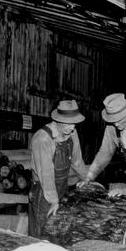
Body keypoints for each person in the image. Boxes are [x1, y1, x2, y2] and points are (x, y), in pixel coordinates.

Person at [77, 93, 126, 198]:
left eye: (119, 119)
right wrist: (88, 177)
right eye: (113, 120)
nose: (117, 124)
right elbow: (104, 153)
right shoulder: (112, 126)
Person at [28, 99, 88, 236]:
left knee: (59, 231)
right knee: (42, 232)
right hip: (43, 191)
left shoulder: (72, 133)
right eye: (68, 124)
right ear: (58, 120)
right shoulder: (43, 139)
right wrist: (54, 201)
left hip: (62, 188)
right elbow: (46, 174)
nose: (72, 128)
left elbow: (77, 161)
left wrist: (86, 179)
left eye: (74, 123)